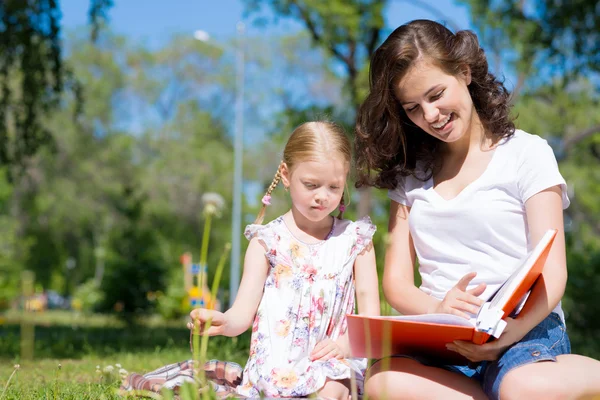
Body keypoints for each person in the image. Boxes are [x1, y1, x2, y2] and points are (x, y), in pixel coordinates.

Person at [353, 19, 600, 400]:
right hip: (443, 339)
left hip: (523, 331)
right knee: (382, 382)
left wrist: (507, 337)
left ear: (464, 72)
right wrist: (439, 307)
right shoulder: (410, 177)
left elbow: (553, 271)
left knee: (522, 386)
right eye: (413, 108)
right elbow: (397, 283)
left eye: (436, 95)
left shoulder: (526, 153)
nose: (430, 115)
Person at [120, 121, 380, 399]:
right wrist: (223, 321)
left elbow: (371, 318)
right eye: (311, 184)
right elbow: (242, 313)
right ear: (286, 175)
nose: (322, 196)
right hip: (276, 369)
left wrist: (345, 345)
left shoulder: (355, 240)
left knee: (331, 392)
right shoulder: (266, 241)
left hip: (333, 364)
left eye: (334, 186)